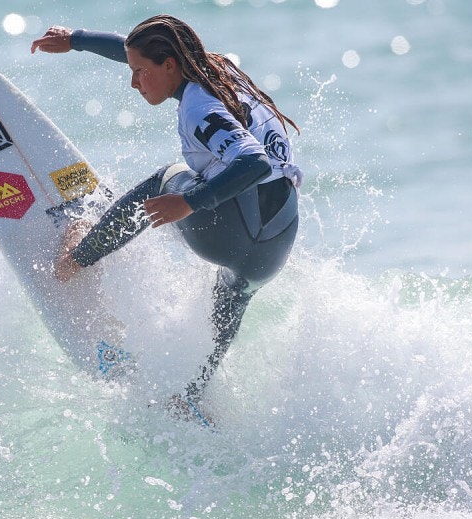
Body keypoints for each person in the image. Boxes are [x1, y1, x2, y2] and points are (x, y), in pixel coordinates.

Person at [31, 15, 302, 422]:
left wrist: (192, 201)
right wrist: (77, 40)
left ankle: (77, 259)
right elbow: (135, 50)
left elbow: (254, 161)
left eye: (141, 72)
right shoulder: (220, 71)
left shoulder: (198, 106)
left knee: (167, 180)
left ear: (169, 66)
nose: (135, 81)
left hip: (232, 233)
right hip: (274, 248)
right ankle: (193, 395)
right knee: (230, 297)